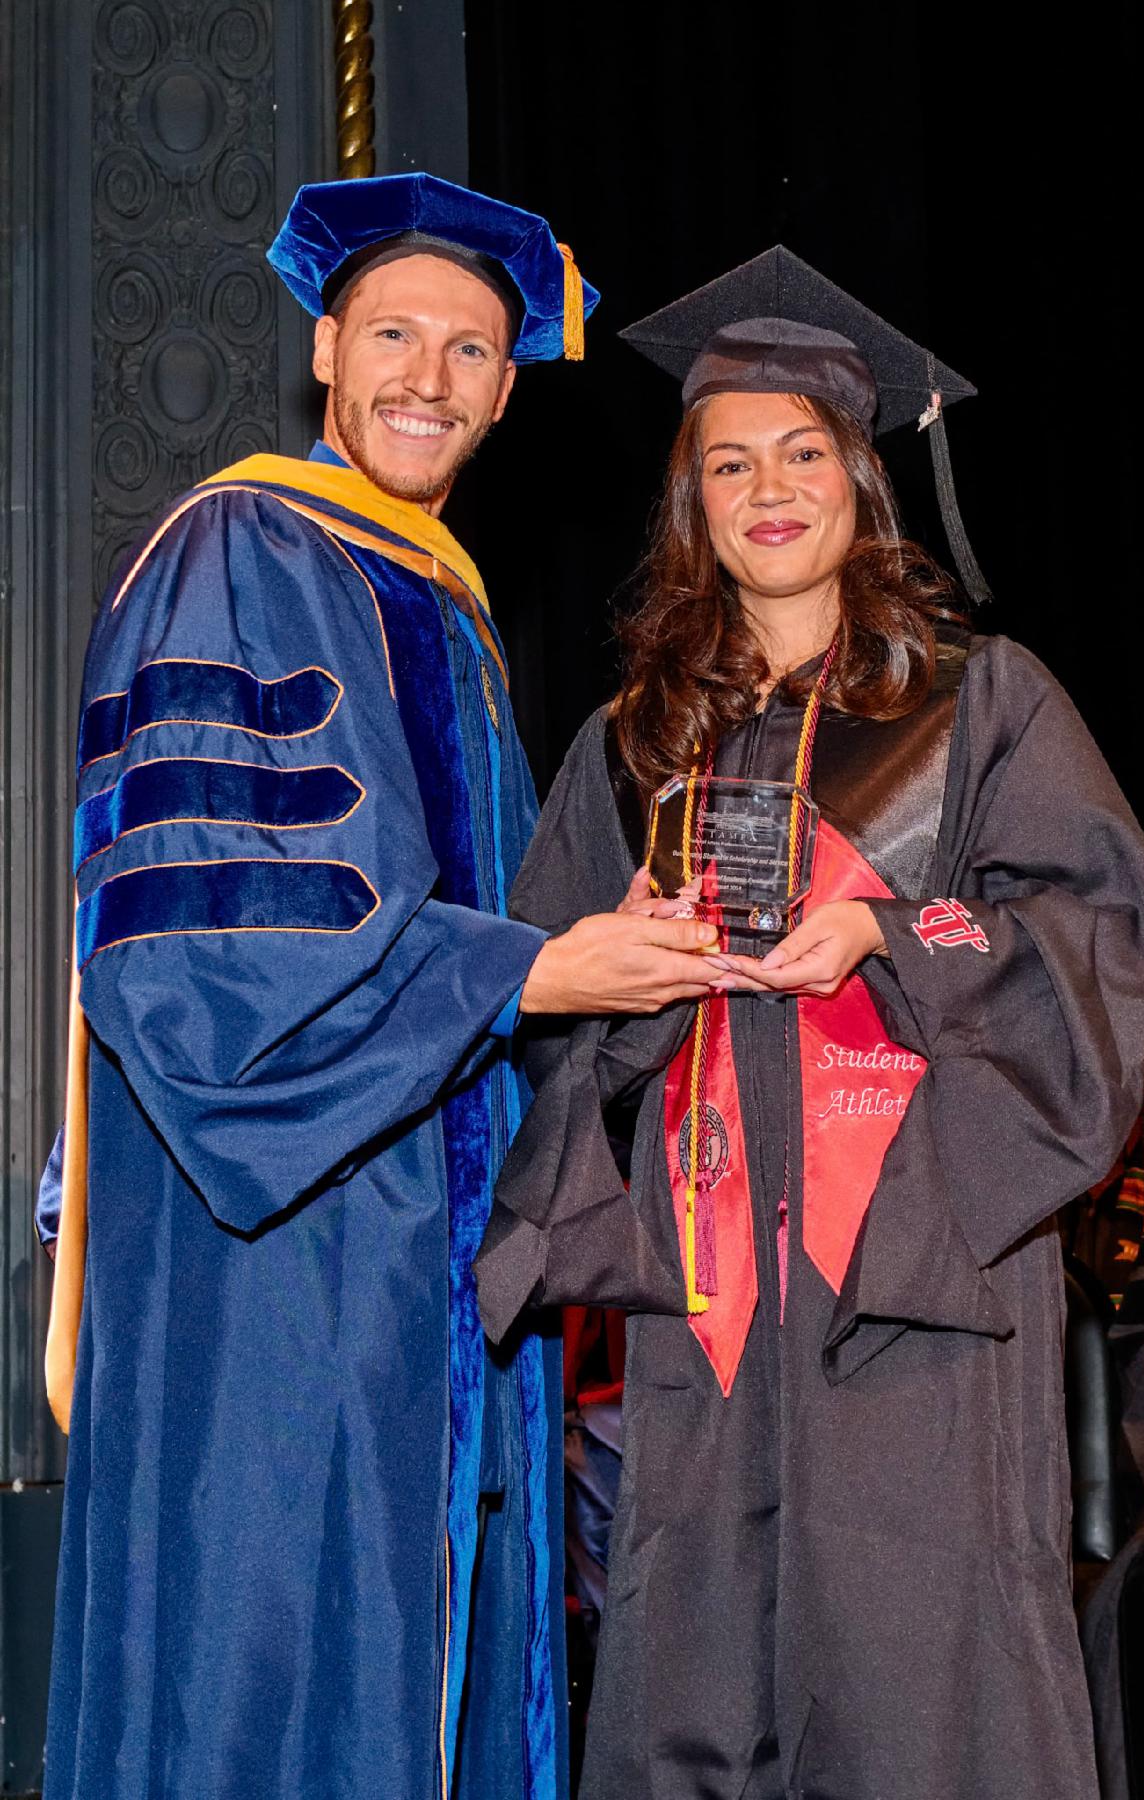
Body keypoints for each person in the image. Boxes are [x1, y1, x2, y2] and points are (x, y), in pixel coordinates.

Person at [39, 173, 726, 1800]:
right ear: (328, 351)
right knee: (280, 1658)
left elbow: (453, 912)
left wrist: (599, 941)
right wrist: (534, 967)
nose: (431, 377)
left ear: (505, 386)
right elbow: (214, 947)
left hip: (423, 1232)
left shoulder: (442, 603)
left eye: (473, 350)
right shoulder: (241, 548)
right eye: (397, 336)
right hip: (286, 1252)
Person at [475, 246, 1144, 1799]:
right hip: (708, 1307)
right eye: (729, 462)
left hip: (913, 1287)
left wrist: (891, 931)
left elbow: (1105, 937)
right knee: (697, 1666)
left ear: (864, 480)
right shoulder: (629, 743)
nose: (768, 488)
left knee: (928, 1682)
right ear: (693, 504)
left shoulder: (984, 706)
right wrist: (624, 972)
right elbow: (539, 1005)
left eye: (803, 453)